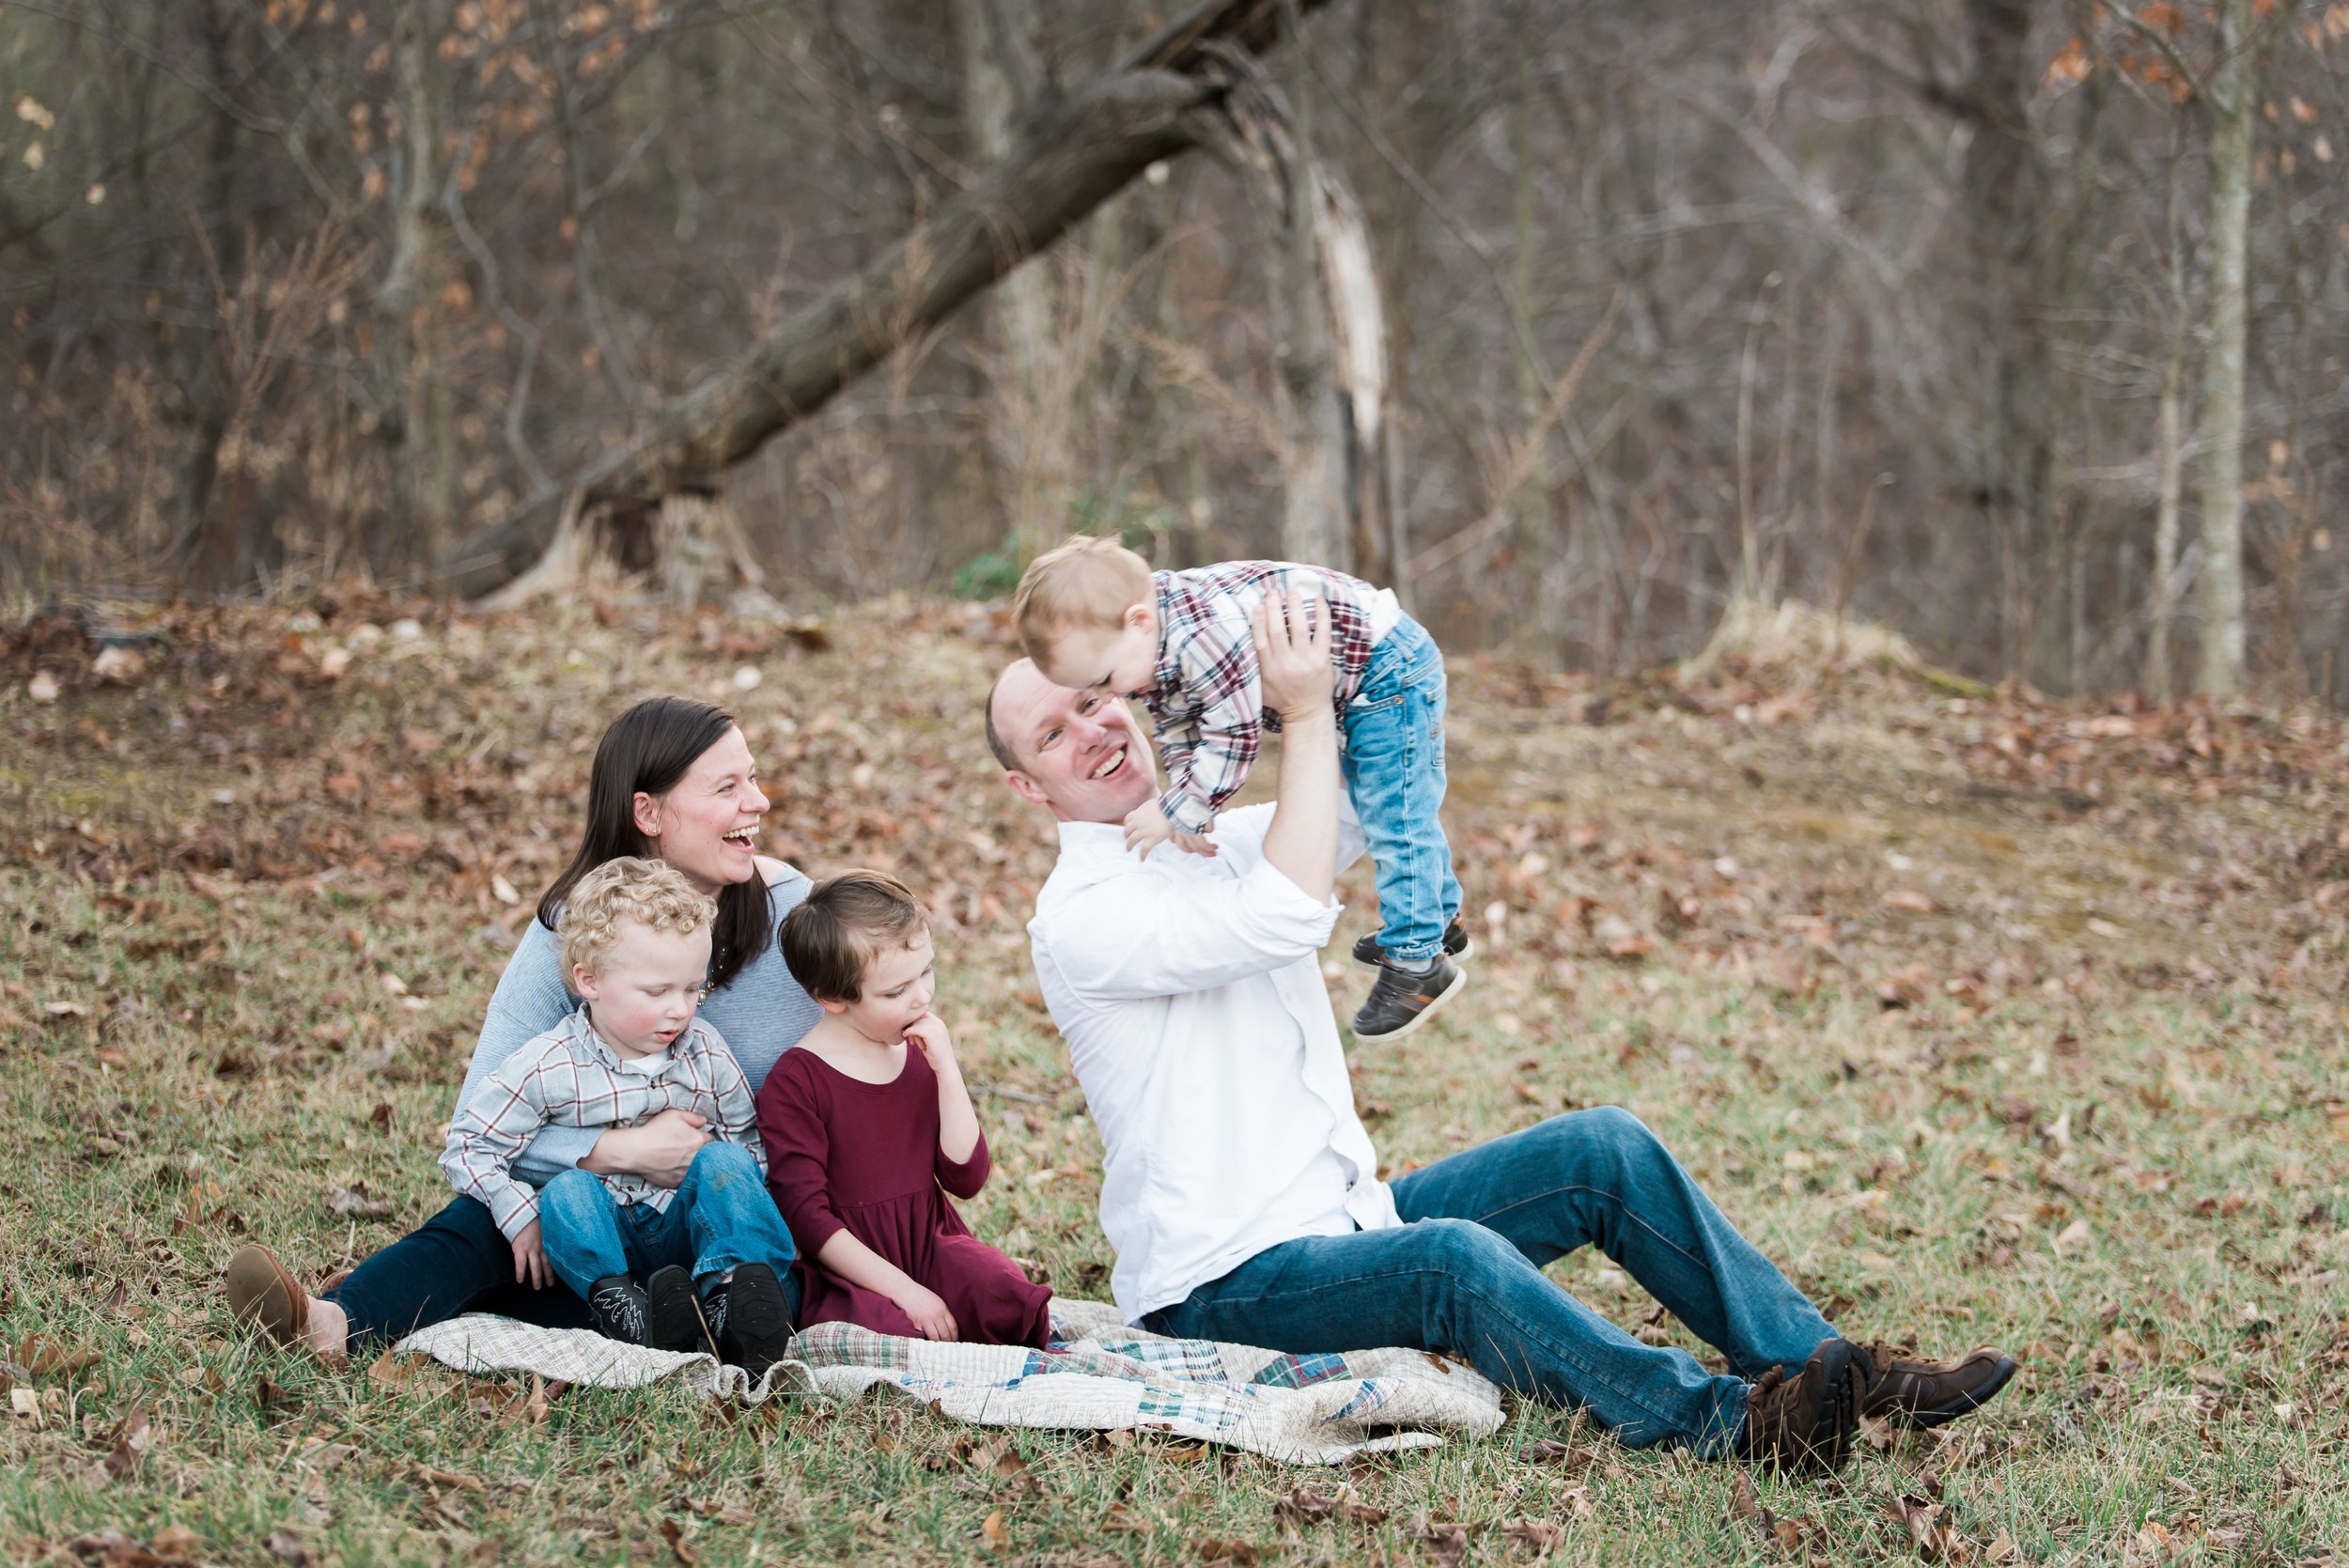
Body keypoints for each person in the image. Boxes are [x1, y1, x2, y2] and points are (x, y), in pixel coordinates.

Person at [983, 587, 2015, 1471]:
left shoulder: (1214, 836)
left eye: (1092, 702)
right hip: (1222, 1283)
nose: (1093, 731)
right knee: (1454, 1262)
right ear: (1029, 785)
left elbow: (1371, 798)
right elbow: (1286, 910)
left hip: (1346, 1221)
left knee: (1601, 1148)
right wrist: (1297, 718)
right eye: (1053, 734)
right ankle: (1731, 1425)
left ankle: (1845, 1375)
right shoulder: (1082, 919)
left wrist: (1328, 660)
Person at [224, 696, 823, 1361]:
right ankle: (332, 1322)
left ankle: (706, 1320)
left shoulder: (794, 917)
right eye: (728, 787)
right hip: (598, 1225)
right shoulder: (570, 936)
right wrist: (618, 1151)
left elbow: (859, 1064)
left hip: (731, 1224)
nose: (760, 802)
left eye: (755, 778)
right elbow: (481, 1124)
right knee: (490, 1225)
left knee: (765, 1283)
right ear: (649, 812)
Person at [1012, 536, 1468, 1040]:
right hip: (1356, 677)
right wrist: (1190, 802)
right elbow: (1180, 726)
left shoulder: (1201, 638)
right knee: (1390, 806)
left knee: (1396, 814)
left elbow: (1234, 734)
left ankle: (1417, 960)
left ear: (1137, 621)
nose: (1110, 693)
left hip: (1384, 669)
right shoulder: (1152, 645)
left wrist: (1180, 809)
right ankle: (1434, 918)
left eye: (1104, 679)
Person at [440, 857, 796, 1369]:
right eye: (657, 992)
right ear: (589, 981)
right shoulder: (550, 1063)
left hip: (688, 1234)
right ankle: (629, 1312)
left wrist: (728, 1190)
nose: (680, 1008)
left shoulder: (706, 1052)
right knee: (566, 1191)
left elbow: (750, 1142)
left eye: (694, 988)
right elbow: (469, 1145)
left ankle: (732, 1300)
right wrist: (518, 1216)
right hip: (610, 1244)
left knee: (727, 1164)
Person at [756, 871, 1051, 1348]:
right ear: (832, 999)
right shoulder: (797, 1081)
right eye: (895, 992)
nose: (922, 997)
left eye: (926, 972)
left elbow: (966, 1178)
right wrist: (907, 1292)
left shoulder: (918, 1054)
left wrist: (947, 1070)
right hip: (854, 1267)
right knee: (893, 1336)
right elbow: (807, 1217)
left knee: (1005, 1293)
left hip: (929, 1242)